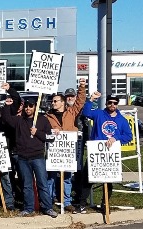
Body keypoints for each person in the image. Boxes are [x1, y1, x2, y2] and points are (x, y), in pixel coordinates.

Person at [1, 84, 58, 218]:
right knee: (26, 185)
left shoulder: (43, 120)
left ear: (34, 107)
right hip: (23, 158)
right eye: (26, 106)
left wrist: (37, 132)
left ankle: (47, 207)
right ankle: (28, 208)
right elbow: (6, 119)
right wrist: (8, 105)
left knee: (42, 184)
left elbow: (50, 138)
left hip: (38, 157)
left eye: (30, 106)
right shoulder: (19, 120)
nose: (28, 108)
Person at [74, 92, 133, 214]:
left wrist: (116, 138)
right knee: (87, 179)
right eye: (110, 102)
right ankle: (82, 204)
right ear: (106, 103)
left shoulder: (121, 120)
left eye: (115, 103)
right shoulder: (99, 114)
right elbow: (86, 112)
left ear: (117, 104)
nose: (112, 105)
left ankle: (105, 203)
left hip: (110, 155)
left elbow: (128, 136)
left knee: (109, 180)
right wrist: (91, 99)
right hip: (95, 152)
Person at [45, 78, 86, 212]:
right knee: (51, 176)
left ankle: (66, 201)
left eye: (56, 101)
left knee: (67, 176)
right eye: (52, 101)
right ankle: (50, 199)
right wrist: (52, 131)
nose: (53, 103)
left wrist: (82, 86)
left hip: (68, 148)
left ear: (62, 102)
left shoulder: (71, 112)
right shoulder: (48, 116)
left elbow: (80, 101)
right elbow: (43, 130)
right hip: (54, 150)